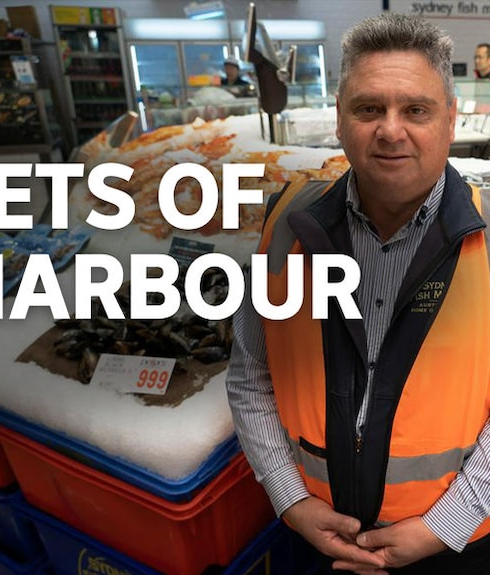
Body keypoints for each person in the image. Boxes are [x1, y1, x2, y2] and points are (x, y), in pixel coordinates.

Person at [226, 12, 490, 575]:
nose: (390, 130)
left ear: (450, 120)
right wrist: (289, 498)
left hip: (454, 549)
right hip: (317, 539)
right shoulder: (286, 226)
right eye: (368, 108)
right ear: (340, 122)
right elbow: (251, 375)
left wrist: (444, 526)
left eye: (415, 110)